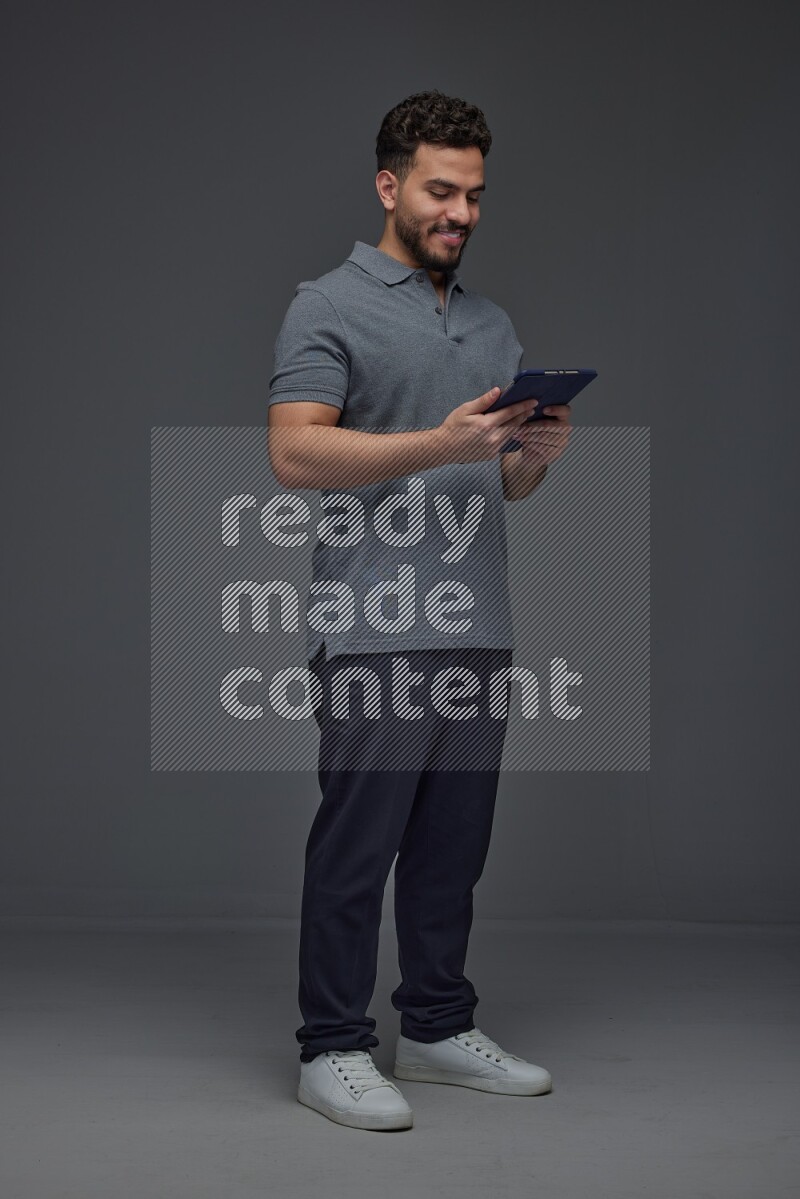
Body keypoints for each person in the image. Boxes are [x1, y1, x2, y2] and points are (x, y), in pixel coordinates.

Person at [267, 89, 571, 1131]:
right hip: (373, 624)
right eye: (442, 191)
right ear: (390, 186)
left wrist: (530, 455)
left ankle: (436, 1028)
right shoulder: (325, 305)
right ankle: (331, 1046)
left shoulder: (490, 324)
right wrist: (438, 445)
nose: (461, 212)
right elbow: (295, 450)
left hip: (475, 625)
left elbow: (505, 491)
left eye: (475, 195)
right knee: (358, 848)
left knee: (452, 849)